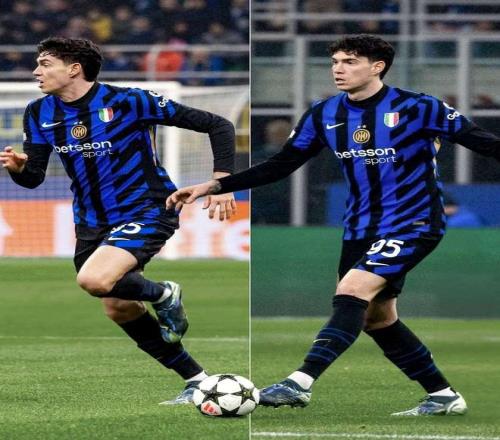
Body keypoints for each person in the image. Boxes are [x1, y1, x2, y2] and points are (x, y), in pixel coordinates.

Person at [167, 34, 500, 415]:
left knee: (352, 290)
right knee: (377, 318)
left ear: (377, 67)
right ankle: (443, 396)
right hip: (360, 226)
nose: (338, 69)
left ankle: (299, 383)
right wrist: (217, 185)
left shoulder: (419, 107)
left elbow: (485, 143)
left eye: (350, 62)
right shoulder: (323, 114)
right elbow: (281, 165)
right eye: (336, 62)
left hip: (414, 220)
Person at [0, 37, 237, 404]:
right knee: (118, 305)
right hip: (91, 221)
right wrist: (18, 169)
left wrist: (221, 184)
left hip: (148, 208)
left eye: (45, 63)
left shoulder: (130, 100)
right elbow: (34, 178)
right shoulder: (38, 112)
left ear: (74, 69)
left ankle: (164, 293)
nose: (36, 71)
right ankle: (198, 380)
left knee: (93, 279)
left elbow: (218, 125)